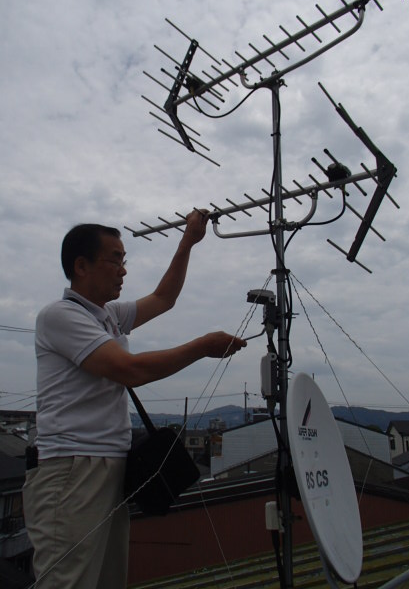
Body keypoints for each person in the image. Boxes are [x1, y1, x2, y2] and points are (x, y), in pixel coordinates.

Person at [22, 210, 246, 589]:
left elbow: (163, 298)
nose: (123, 270)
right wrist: (202, 347)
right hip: (73, 470)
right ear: (81, 266)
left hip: (109, 466)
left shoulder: (106, 315)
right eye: (115, 260)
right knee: (68, 582)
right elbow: (130, 370)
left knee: (107, 580)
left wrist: (187, 241)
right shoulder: (60, 316)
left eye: (124, 260)